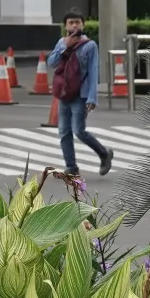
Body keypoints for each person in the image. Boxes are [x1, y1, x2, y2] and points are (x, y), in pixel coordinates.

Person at [47, 10, 112, 179]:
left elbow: (93, 71)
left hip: (81, 96)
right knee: (64, 131)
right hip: (64, 94)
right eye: (71, 22)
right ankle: (71, 167)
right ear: (65, 26)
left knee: (79, 131)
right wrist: (64, 46)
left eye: (78, 22)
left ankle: (104, 153)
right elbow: (52, 62)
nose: (75, 25)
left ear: (83, 24)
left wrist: (92, 97)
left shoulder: (90, 45)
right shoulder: (62, 42)